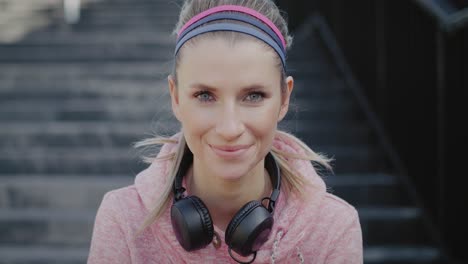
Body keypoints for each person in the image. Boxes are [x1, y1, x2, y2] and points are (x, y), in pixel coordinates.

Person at [87, 0, 363, 263]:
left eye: (253, 96)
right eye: (205, 95)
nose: (230, 129)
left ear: (284, 98)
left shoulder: (332, 228)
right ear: (176, 98)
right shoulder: (123, 220)